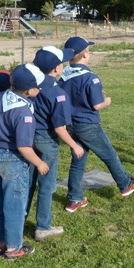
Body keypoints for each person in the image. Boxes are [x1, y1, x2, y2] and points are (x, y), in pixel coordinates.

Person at [59, 36, 134, 212]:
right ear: (85, 56)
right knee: (109, 154)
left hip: (71, 125)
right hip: (88, 124)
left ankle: (74, 198)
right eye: (88, 51)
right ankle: (126, 184)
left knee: (78, 161)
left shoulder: (62, 76)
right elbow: (97, 104)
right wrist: (107, 101)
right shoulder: (90, 77)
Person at [0, 63, 49, 260]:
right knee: (14, 204)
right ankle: (13, 248)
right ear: (29, 90)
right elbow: (24, 147)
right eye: (39, 86)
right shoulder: (24, 113)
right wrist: (39, 163)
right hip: (13, 161)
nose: (40, 89)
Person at [26, 46, 85, 240]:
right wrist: (74, 145)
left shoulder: (28, 87)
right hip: (46, 142)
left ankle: (19, 218)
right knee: (46, 185)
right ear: (57, 69)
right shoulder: (57, 93)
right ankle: (43, 226)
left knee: (28, 183)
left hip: (27, 138)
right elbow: (60, 128)